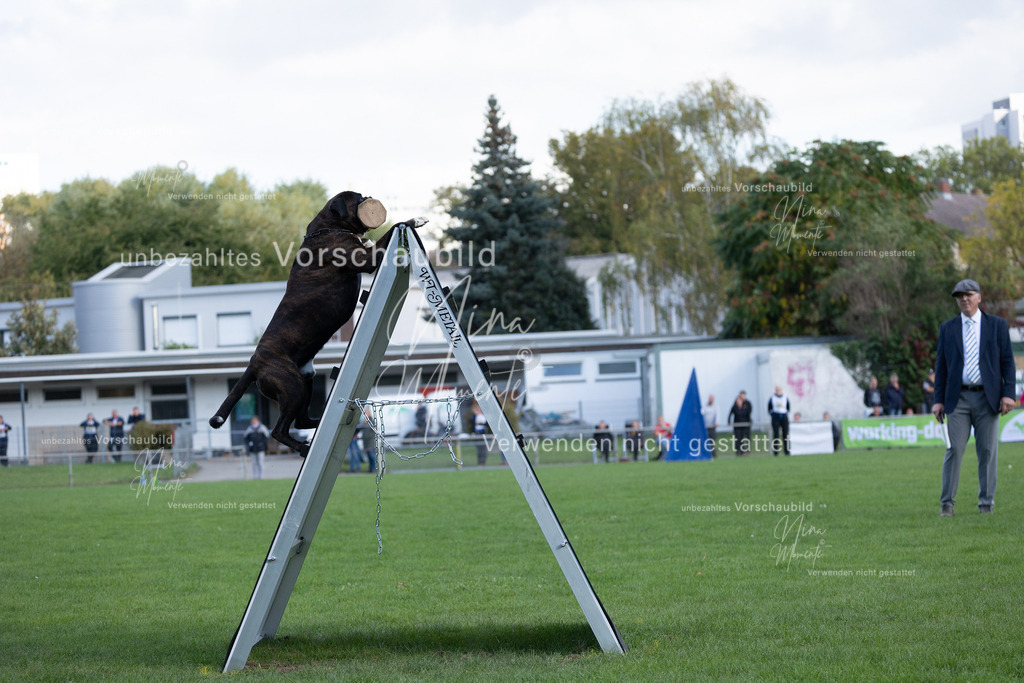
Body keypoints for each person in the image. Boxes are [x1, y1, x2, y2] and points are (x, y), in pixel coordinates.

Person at [933, 279, 1015, 517]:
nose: (964, 299)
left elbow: (1008, 362)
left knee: (988, 451)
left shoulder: (997, 326)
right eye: (959, 296)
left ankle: (986, 503)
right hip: (957, 399)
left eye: (968, 295)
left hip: (987, 398)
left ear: (979, 297)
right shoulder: (947, 328)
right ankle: (947, 504)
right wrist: (938, 400)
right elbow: (942, 367)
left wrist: (1008, 394)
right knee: (954, 449)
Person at [243, 415, 270, 479]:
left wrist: (262, 444)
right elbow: (246, 437)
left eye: (254, 420)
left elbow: (266, 437)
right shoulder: (250, 428)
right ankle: (255, 476)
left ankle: (261, 476)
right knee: (254, 463)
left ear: (257, 420)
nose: (253, 421)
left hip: (260, 448)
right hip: (252, 449)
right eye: (252, 420)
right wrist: (249, 443)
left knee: (260, 462)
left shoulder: (262, 427)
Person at [767, 386, 791, 456]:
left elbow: (788, 407)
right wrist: (773, 414)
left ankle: (787, 451)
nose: (778, 391)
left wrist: (785, 414)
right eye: (777, 390)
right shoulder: (772, 398)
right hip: (775, 417)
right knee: (776, 434)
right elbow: (769, 408)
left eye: (779, 389)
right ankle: (776, 452)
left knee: (786, 434)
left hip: (784, 416)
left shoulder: (785, 397)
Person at [728, 391, 753, 456]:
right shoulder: (734, 407)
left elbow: (748, 414)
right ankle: (739, 451)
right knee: (738, 438)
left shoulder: (747, 404)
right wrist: (729, 422)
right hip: (737, 425)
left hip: (745, 425)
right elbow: (730, 414)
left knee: (747, 438)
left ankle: (747, 451)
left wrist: (750, 420)